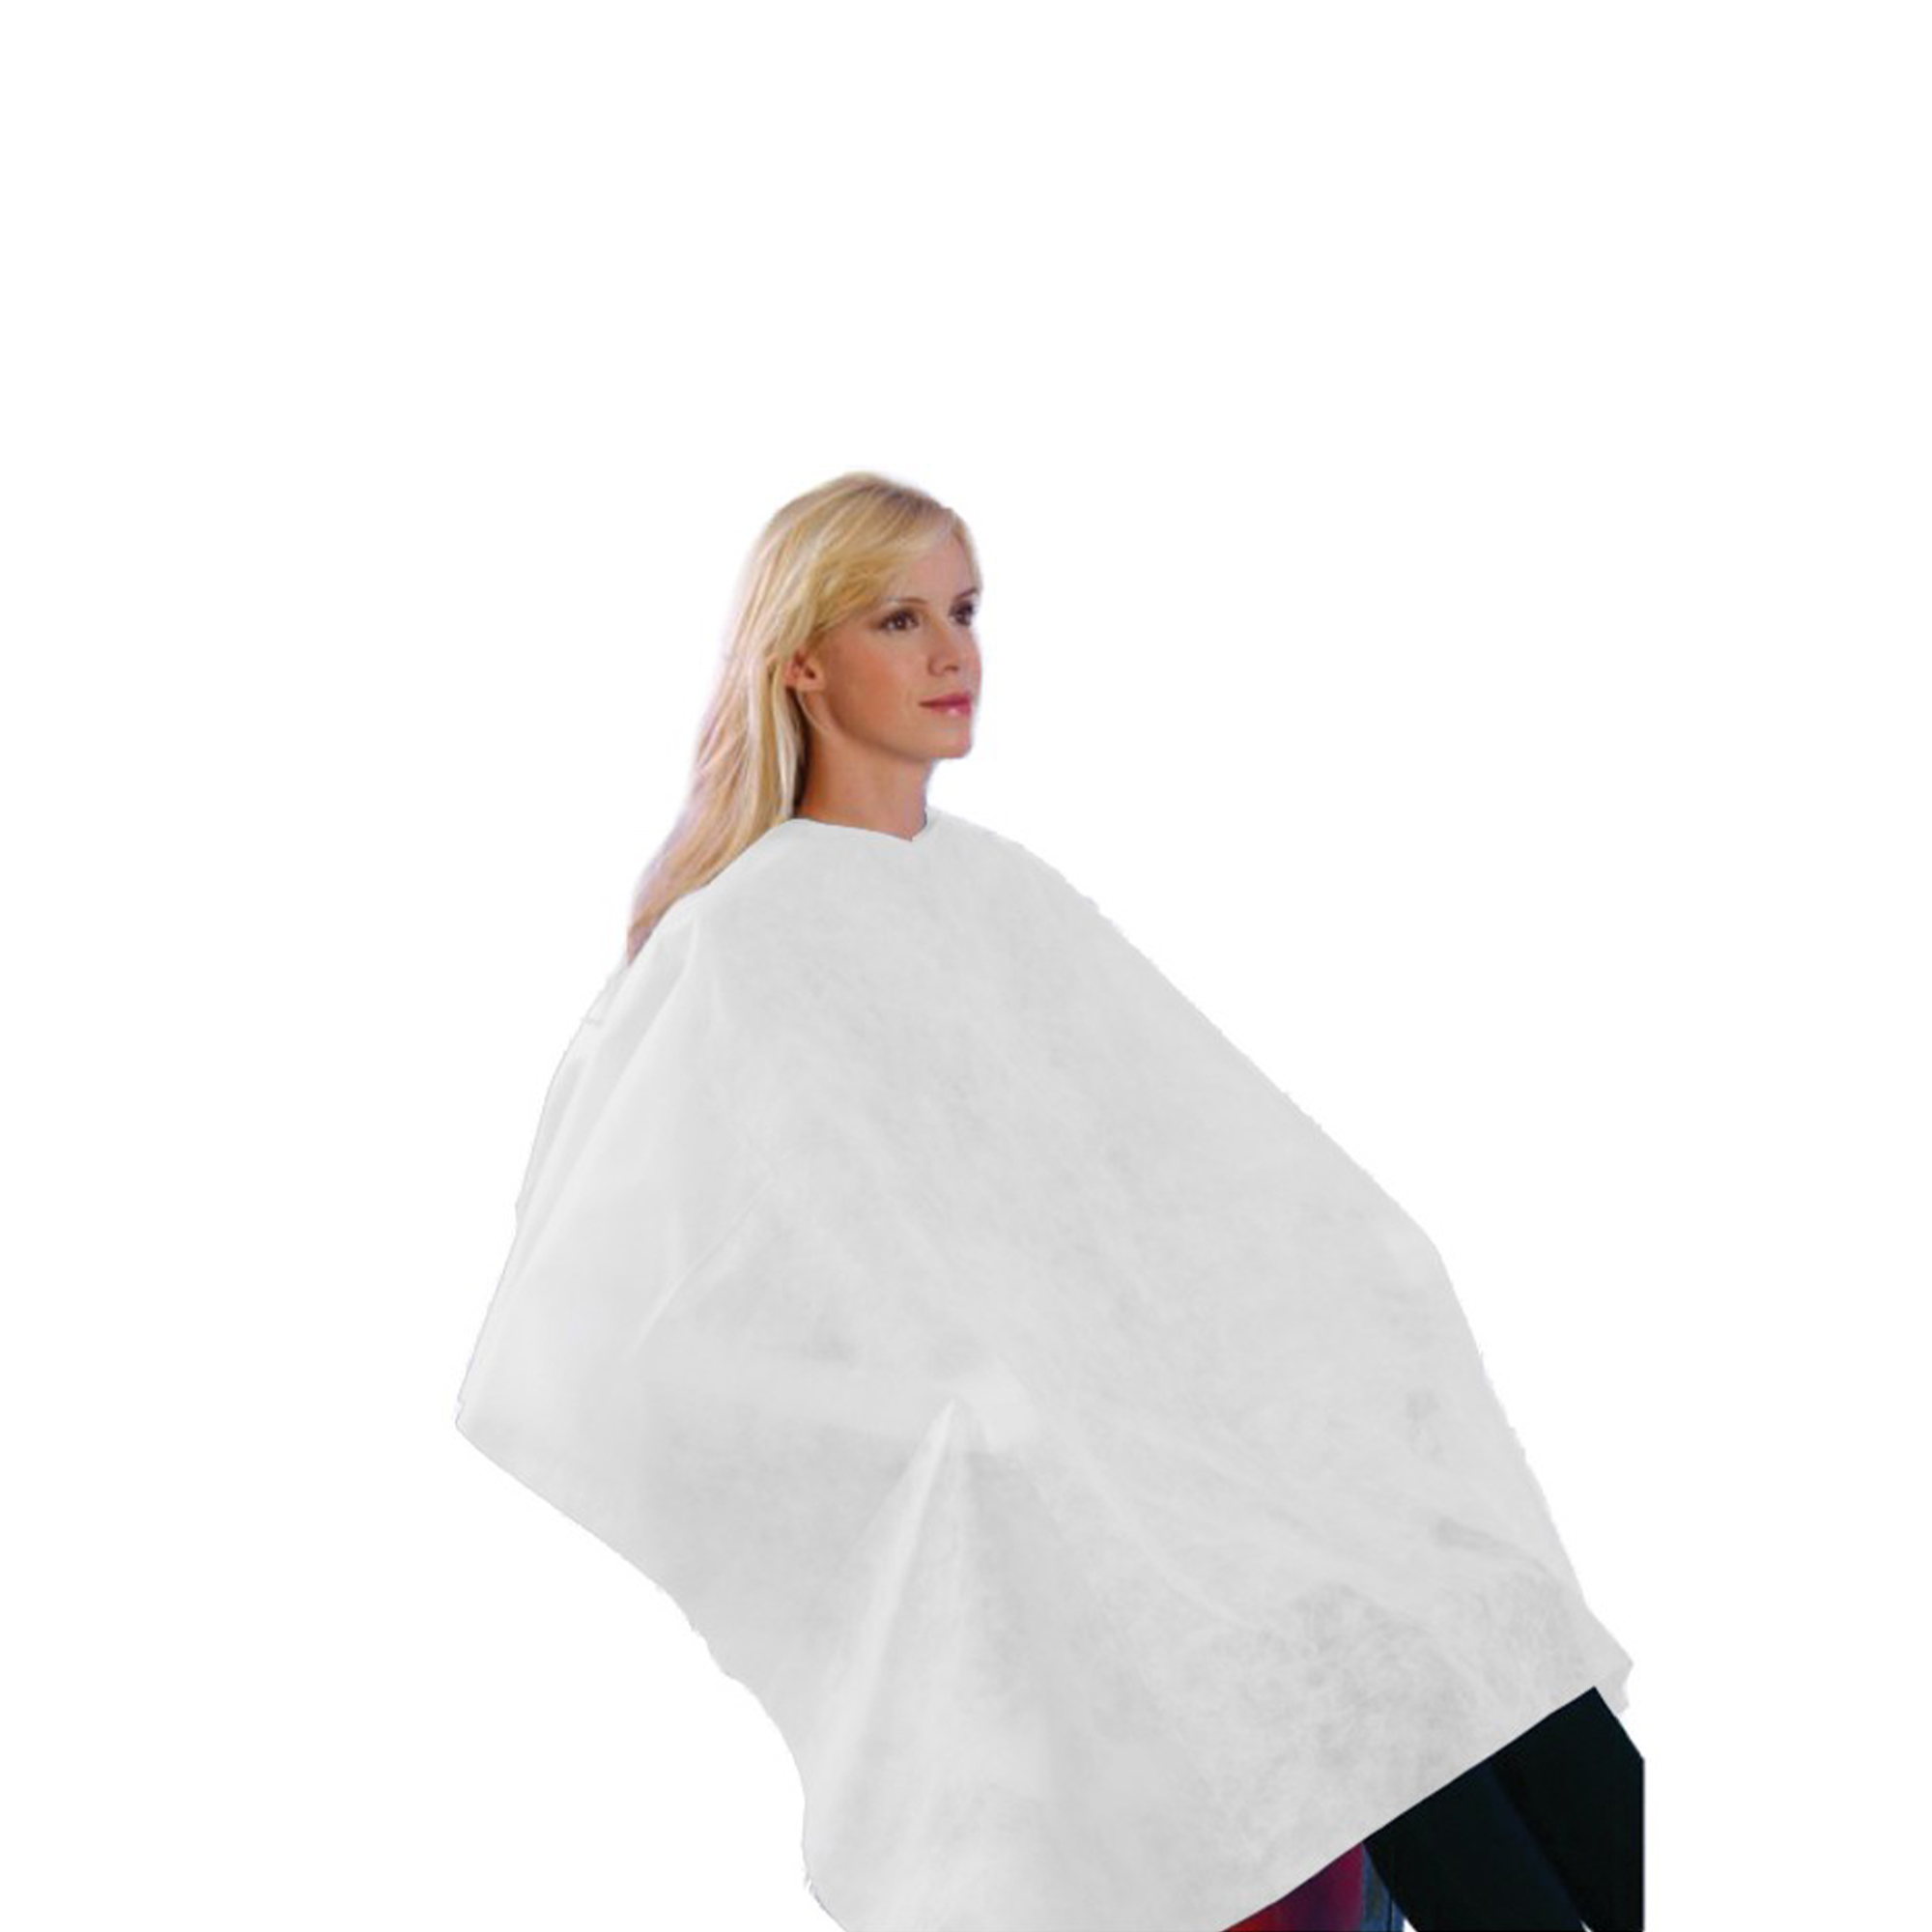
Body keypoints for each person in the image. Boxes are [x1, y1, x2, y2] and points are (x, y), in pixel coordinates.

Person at [458, 469, 1640, 1932]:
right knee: (1364, 1661)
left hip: (1180, 1458)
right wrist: (945, 1416)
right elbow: (598, 1354)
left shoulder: (1001, 895)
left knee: (1487, 1605)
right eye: (899, 620)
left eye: (963, 610)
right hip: (1041, 1510)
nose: (953, 654)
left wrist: (1368, 1269)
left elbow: (1190, 1181)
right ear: (803, 662)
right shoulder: (742, 944)